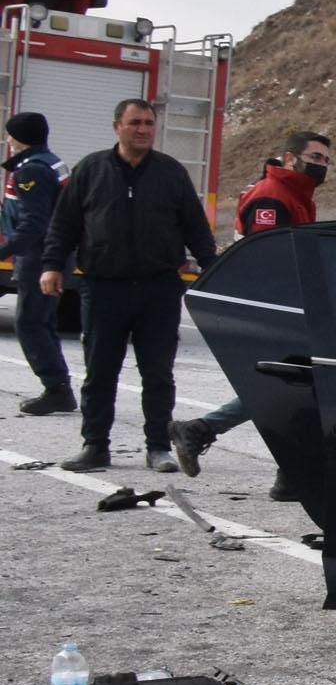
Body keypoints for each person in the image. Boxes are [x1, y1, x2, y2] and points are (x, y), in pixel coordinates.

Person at [37, 98, 216, 472]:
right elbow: (64, 222)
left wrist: (215, 271)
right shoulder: (91, 169)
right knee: (100, 371)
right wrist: (52, 265)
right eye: (135, 122)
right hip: (104, 287)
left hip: (160, 288)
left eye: (149, 123)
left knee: (158, 373)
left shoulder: (171, 173)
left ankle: (158, 447)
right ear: (117, 126)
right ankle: (95, 445)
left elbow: (196, 229)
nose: (143, 130)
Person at [169, 132, 333, 494]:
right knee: (290, 384)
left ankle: (288, 475)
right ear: (290, 159)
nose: (321, 165)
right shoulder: (274, 197)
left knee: (296, 384)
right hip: (273, 307)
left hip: (287, 305)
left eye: (325, 160)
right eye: (315, 157)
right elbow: (269, 260)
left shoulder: (295, 193)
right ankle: (203, 431)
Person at [5, 111, 74, 413]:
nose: (7, 141)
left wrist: (4, 250)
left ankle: (56, 388)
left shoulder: (32, 171)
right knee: (41, 322)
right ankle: (58, 386)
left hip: (40, 257)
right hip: (52, 254)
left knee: (30, 323)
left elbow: (33, 223)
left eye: (10, 135)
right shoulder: (50, 161)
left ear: (18, 139)